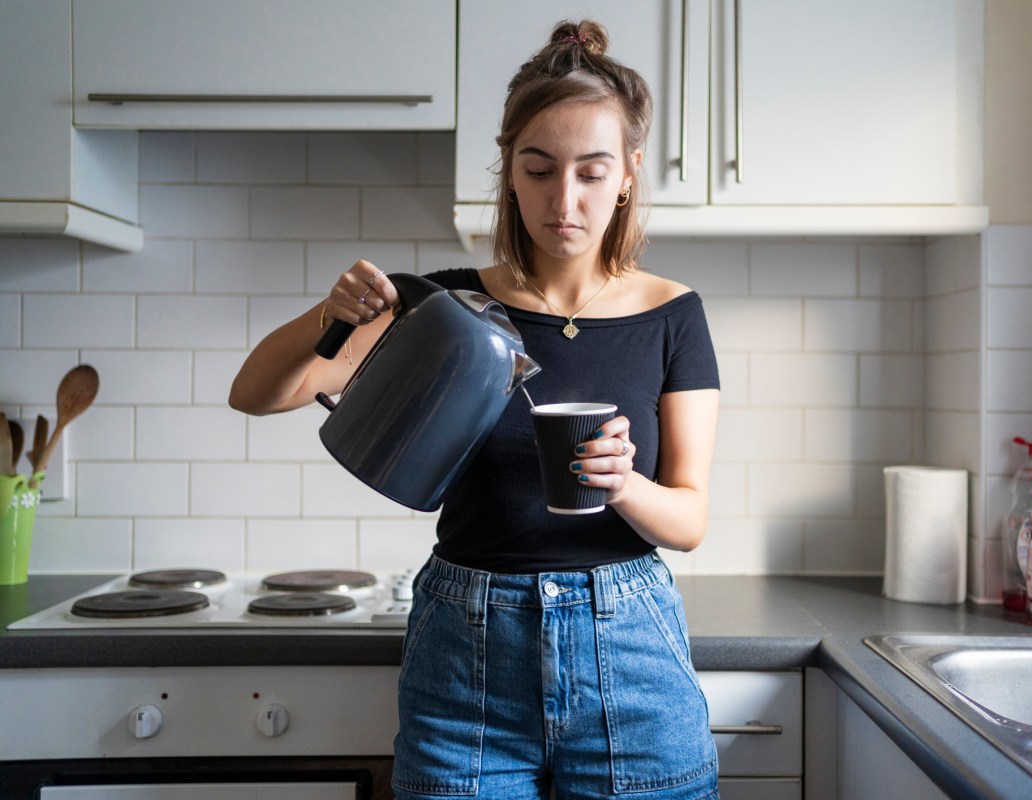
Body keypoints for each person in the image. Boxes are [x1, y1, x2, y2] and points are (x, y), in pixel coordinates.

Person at [229, 19, 721, 800]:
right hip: (466, 654)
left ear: (628, 173)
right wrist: (331, 314)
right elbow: (253, 395)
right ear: (510, 172)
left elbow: (690, 521)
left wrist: (624, 483)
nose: (565, 200)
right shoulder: (452, 306)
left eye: (592, 173)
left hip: (629, 657)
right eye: (539, 169)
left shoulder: (673, 315)